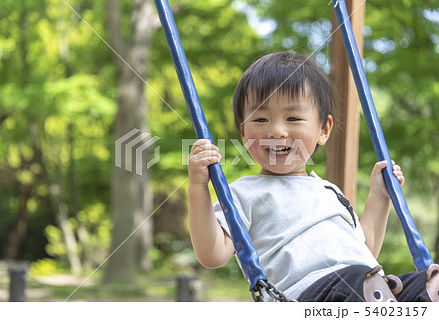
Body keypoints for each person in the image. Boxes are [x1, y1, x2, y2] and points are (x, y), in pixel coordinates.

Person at [187, 52, 439, 302]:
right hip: (309, 297)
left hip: (369, 284)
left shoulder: (329, 191)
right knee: (358, 281)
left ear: (323, 129)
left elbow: (364, 250)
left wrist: (379, 196)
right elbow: (212, 254)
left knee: (430, 281)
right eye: (261, 119)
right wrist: (199, 185)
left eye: (293, 118)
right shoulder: (243, 193)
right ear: (243, 132)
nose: (275, 130)